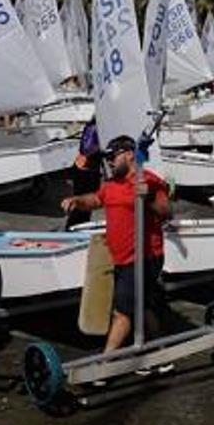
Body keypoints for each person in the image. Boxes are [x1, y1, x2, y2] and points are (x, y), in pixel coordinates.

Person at [61, 135, 172, 354]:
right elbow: (95, 199)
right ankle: (161, 354)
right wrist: (77, 201)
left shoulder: (148, 181)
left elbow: (167, 213)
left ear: (130, 154)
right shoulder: (111, 185)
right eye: (108, 158)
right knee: (143, 305)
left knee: (122, 312)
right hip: (121, 258)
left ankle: (105, 363)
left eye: (113, 157)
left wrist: (148, 198)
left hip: (143, 256)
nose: (110, 162)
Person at [65, 117, 101, 229]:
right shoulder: (94, 127)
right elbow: (86, 149)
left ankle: (77, 231)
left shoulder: (96, 126)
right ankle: (72, 232)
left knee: (85, 209)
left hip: (89, 169)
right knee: (81, 207)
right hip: (85, 171)